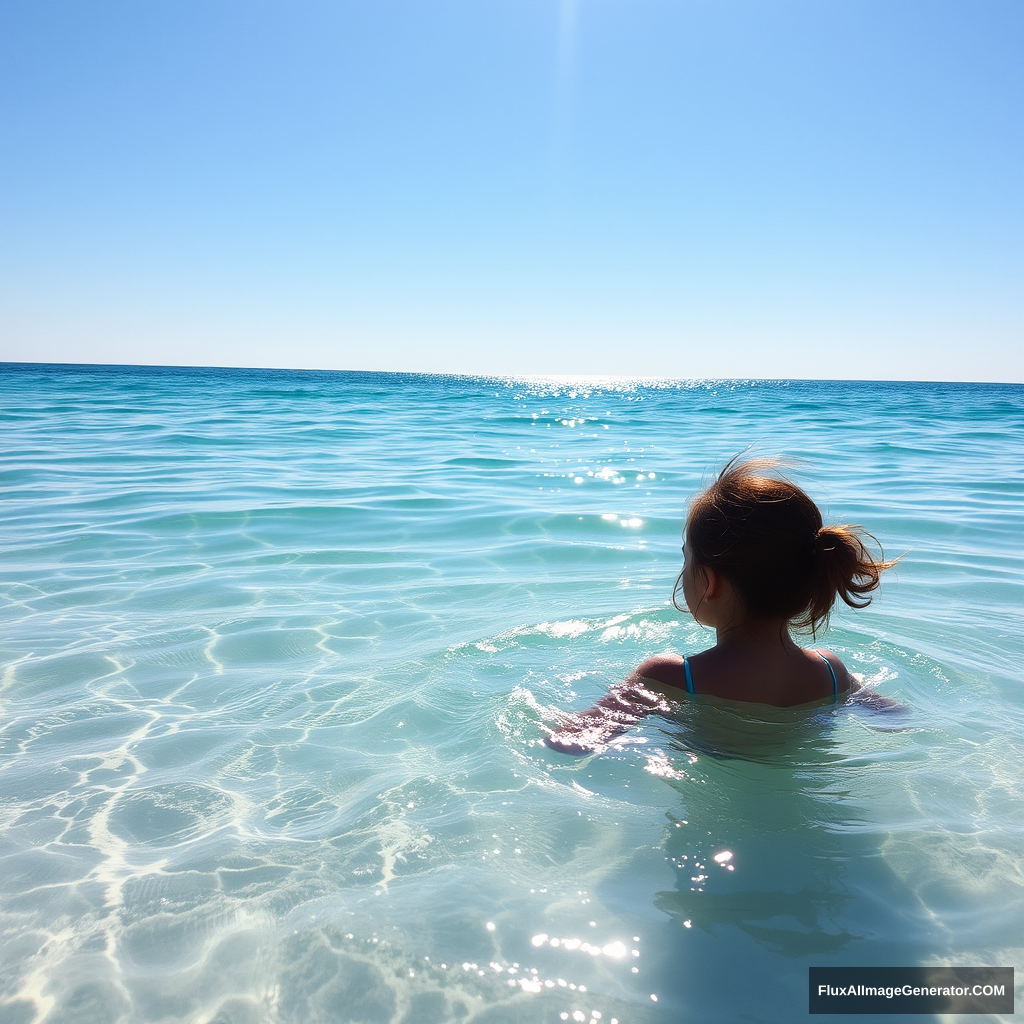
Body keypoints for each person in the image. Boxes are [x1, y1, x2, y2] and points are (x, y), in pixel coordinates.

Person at [545, 457, 899, 754]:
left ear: (710, 583)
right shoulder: (831, 672)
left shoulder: (669, 676)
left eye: (687, 560)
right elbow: (896, 720)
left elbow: (570, 742)